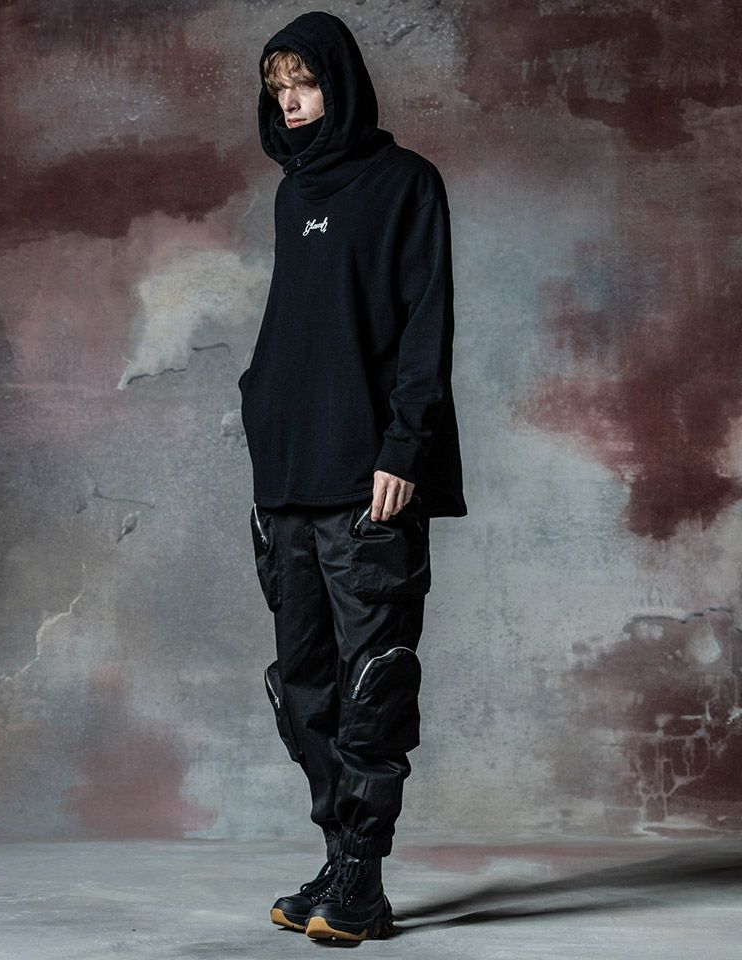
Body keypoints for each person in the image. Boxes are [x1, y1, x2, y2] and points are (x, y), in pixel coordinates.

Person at [237, 9, 467, 942]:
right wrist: (260, 403)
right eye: (279, 88)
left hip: (369, 479)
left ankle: (364, 878)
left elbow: (425, 324)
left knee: (373, 682)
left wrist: (405, 448)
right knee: (303, 687)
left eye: (306, 84)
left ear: (341, 83)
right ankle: (339, 862)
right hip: (287, 474)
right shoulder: (292, 193)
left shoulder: (406, 182)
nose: (292, 104)